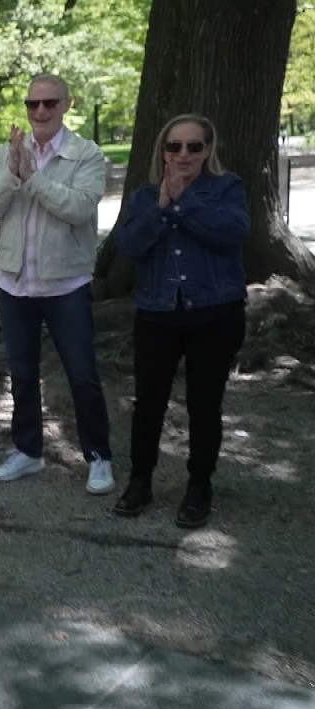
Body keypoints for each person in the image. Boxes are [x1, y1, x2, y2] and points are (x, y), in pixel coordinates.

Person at [0, 73, 114, 494]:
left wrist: (33, 177)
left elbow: (79, 208)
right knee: (21, 373)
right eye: (32, 104)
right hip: (15, 281)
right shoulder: (8, 151)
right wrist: (13, 173)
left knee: (82, 374)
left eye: (49, 103)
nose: (40, 112)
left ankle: (98, 456)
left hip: (65, 281)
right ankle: (28, 451)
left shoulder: (85, 154)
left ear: (66, 104)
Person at [111, 114, 249, 528]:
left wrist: (182, 204)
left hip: (215, 312)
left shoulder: (227, 189)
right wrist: (162, 207)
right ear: (163, 152)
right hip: (157, 313)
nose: (184, 154)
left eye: (193, 146)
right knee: (148, 403)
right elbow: (129, 245)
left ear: (207, 151)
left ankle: (199, 485)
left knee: (204, 404)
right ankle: (140, 481)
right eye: (175, 146)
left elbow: (233, 233)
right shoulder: (144, 197)